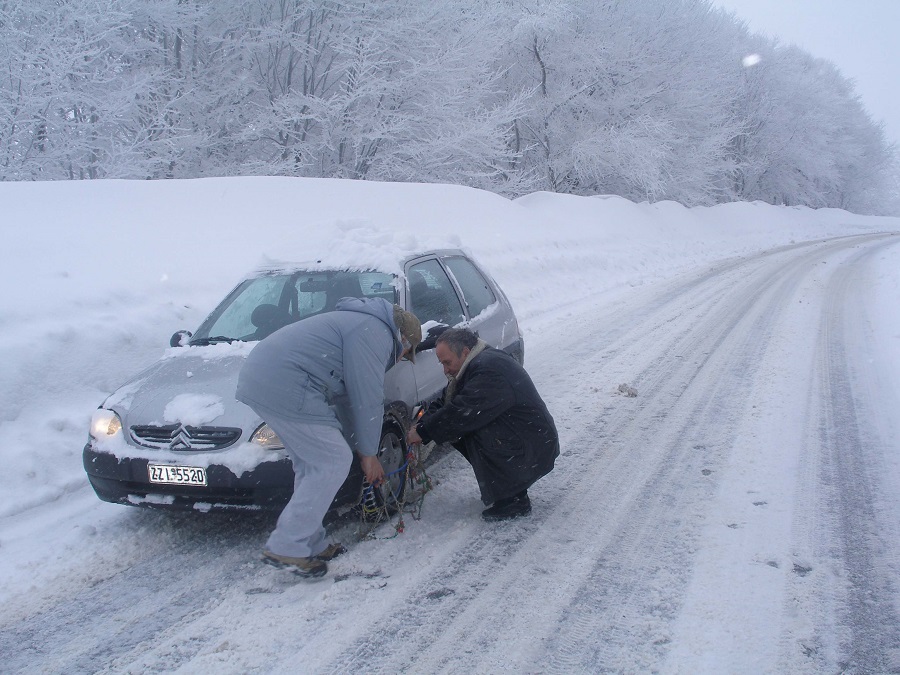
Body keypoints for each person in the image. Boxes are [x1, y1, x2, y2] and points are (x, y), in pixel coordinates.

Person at [236, 296, 421, 577]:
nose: (401, 357)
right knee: (332, 461)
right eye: (406, 352)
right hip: (286, 381)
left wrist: (363, 449)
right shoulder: (375, 332)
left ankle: (309, 541)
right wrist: (369, 455)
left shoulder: (360, 323)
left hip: (264, 376)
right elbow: (367, 397)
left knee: (312, 465)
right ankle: (288, 545)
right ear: (403, 337)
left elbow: (348, 400)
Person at [407, 327, 558, 521]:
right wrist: (423, 422)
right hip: (526, 439)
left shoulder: (489, 370)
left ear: (465, 352)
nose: (445, 370)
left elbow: (462, 411)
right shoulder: (476, 362)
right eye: (441, 363)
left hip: (532, 445)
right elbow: (447, 401)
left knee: (471, 427)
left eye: (447, 362)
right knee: (461, 427)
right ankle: (511, 488)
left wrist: (424, 431)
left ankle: (513, 499)